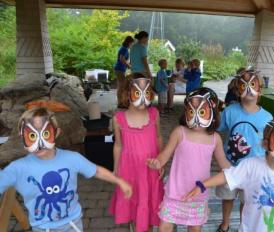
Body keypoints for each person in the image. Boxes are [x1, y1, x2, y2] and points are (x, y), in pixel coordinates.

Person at [0, 107, 132, 232]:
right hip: (41, 228)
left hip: (72, 223)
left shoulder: (72, 158)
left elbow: (96, 170)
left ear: (56, 133)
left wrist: (119, 181)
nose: (39, 143)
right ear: (22, 136)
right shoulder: (17, 169)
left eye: (45, 133)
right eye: (32, 136)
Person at [147, 87, 231, 232]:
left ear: (212, 112)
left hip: (198, 197)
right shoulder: (180, 132)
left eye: (202, 111)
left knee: (194, 228)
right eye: (192, 111)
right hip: (174, 193)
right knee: (164, 227)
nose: (196, 117)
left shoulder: (215, 139)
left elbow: (224, 164)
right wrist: (158, 162)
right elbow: (165, 155)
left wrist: (241, 173)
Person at [215, 69, 273, 232]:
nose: (249, 89)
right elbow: (217, 129)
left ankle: (243, 226)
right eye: (244, 85)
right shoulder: (230, 111)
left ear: (260, 90)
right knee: (228, 197)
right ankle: (225, 223)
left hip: (254, 168)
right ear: (237, 90)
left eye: (253, 84)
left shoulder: (267, 117)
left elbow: (268, 144)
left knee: (246, 201)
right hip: (230, 165)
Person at [109, 73, 164, 232]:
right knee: (134, 208)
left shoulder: (154, 114)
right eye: (137, 92)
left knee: (149, 206)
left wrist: (161, 161)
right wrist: (115, 169)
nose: (142, 97)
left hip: (150, 171)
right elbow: (118, 145)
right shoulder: (118, 119)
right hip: (130, 171)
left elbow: (159, 137)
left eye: (146, 92)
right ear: (127, 94)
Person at [113, 36, 134, 108]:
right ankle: (120, 103)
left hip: (120, 69)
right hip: (119, 69)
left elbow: (124, 59)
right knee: (121, 86)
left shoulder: (124, 48)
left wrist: (129, 64)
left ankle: (121, 102)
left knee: (121, 86)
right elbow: (122, 59)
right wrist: (128, 66)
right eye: (132, 43)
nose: (132, 45)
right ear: (129, 42)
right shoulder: (124, 49)